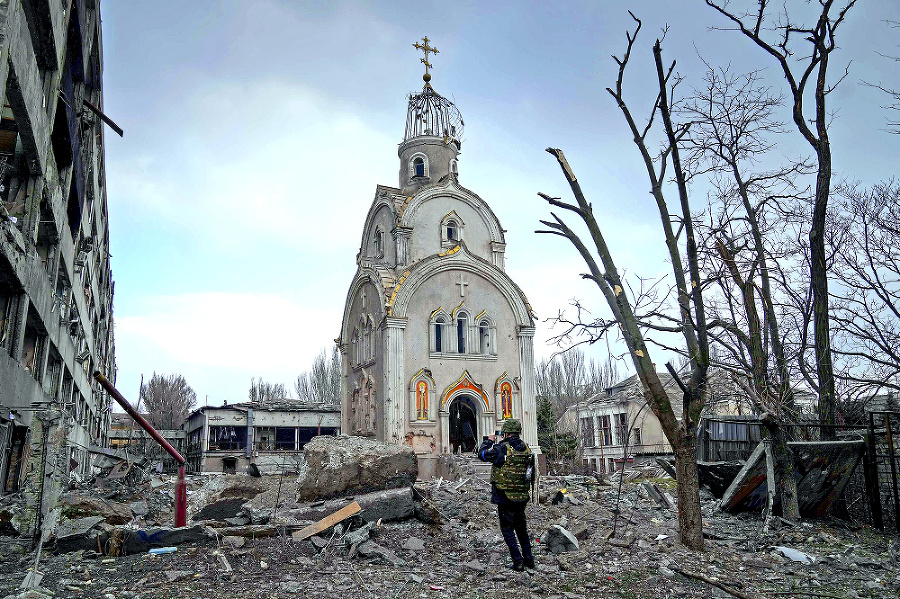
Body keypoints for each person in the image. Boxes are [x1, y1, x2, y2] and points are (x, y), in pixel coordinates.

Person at [478, 419, 535, 571]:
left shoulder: (501, 448)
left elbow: (482, 455)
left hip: (505, 495)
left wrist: (488, 441)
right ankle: (529, 560)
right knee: (521, 529)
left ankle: (518, 562)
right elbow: (531, 473)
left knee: (508, 529)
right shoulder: (526, 448)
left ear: (506, 433)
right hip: (522, 495)